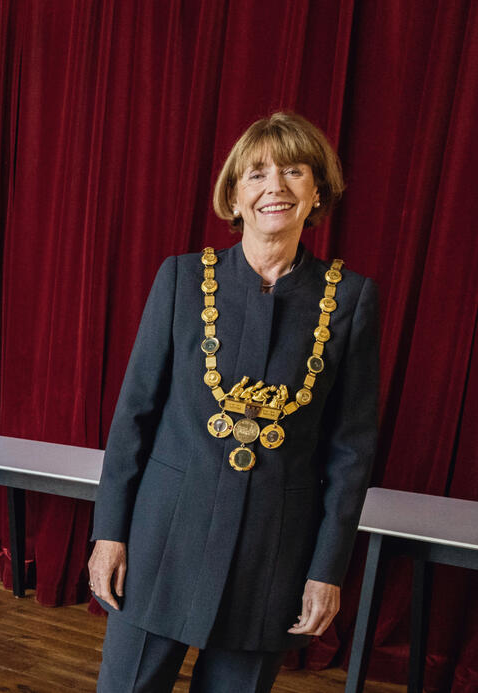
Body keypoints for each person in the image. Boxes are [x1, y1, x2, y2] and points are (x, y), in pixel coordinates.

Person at [87, 112, 380, 692]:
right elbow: (133, 418)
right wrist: (110, 532)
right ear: (235, 195)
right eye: (257, 175)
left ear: (315, 190)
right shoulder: (180, 279)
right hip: (162, 538)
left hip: (273, 551)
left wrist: (327, 570)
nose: (275, 187)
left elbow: (352, 452)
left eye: (294, 171)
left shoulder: (350, 299)